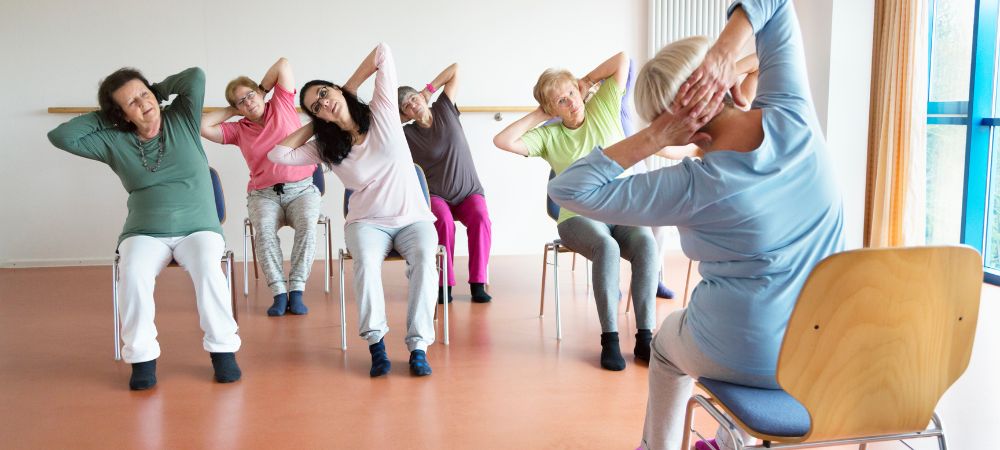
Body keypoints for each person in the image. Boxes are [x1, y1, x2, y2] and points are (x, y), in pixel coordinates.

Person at [546, 0, 845, 448]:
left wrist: (655, 138)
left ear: (674, 124)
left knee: (666, 346)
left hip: (749, 350)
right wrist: (726, 50)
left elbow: (568, 191)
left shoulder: (691, 185)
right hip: (829, 345)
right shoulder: (793, 113)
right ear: (720, 79)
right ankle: (730, 440)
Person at [47, 67, 242, 390]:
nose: (142, 104)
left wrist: (157, 89)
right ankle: (142, 358)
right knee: (133, 270)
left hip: (199, 228)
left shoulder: (182, 117)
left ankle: (223, 352)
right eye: (131, 103)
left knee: (209, 268)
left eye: (143, 94)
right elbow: (60, 136)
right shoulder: (114, 141)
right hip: (144, 232)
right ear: (120, 114)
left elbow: (194, 76)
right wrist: (105, 116)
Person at [268, 43, 438, 378]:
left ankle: (418, 347)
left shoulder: (383, 110)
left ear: (334, 88)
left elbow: (384, 52)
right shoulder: (324, 147)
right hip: (367, 223)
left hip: (413, 219)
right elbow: (278, 154)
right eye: (316, 106)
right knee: (366, 262)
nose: (324, 102)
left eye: (324, 93)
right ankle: (376, 344)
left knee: (424, 259)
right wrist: (316, 125)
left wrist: (348, 88)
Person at [494, 52, 659, 371]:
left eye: (570, 93)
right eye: (560, 101)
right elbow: (503, 140)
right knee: (607, 248)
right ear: (550, 109)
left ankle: (645, 338)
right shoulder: (549, 135)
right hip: (577, 218)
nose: (570, 102)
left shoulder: (604, 106)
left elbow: (622, 59)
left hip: (621, 211)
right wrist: (539, 115)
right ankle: (609, 339)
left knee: (647, 245)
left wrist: (586, 81)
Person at [200, 58, 320, 317]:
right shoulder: (238, 130)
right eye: (240, 101)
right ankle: (279, 292)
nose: (248, 102)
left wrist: (263, 92)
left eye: (250, 95)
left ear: (260, 93)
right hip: (263, 194)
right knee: (264, 234)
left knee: (309, 227)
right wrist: (233, 111)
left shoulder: (282, 104)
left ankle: (297, 290)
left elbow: (284, 65)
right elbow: (203, 126)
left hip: (301, 189)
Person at [398, 63, 492, 304]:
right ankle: (443, 285)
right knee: (444, 223)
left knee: (481, 218)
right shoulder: (407, 134)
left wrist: (428, 91)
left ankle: (478, 283)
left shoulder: (444, 108)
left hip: (469, 191)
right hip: (437, 196)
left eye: (412, 98)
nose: (411, 104)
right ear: (404, 114)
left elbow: (455, 69)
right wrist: (400, 115)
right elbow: (381, 124)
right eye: (405, 106)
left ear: (420, 95)